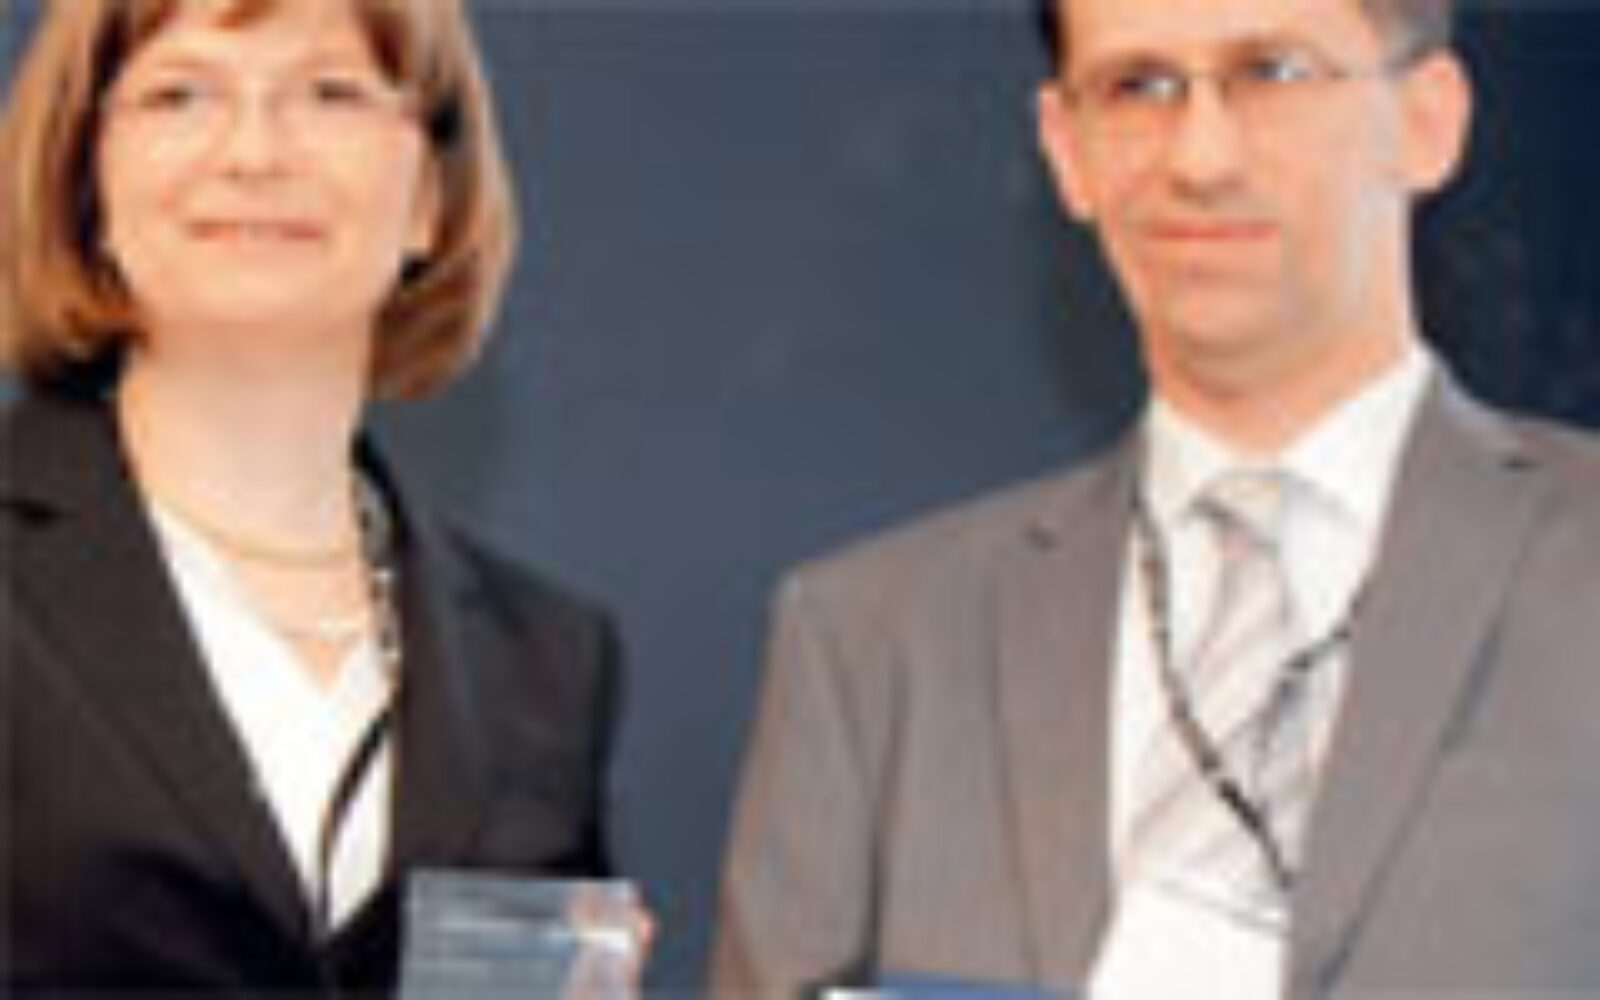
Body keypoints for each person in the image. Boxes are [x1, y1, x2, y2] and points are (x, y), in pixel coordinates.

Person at [713, 0, 1600, 995]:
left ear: (1427, 120)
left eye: (1272, 72)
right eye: (1138, 87)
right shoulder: (874, 647)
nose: (1200, 157)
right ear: (1067, 148)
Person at [0, 0, 625, 993]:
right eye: (181, 95)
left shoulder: (543, 662)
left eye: (330, 93)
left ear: (429, 198)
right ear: (88, 186)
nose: (254, 152)